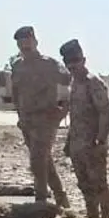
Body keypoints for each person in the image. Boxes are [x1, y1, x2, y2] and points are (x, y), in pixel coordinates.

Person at [9, 26, 71, 207]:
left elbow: (69, 82)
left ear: (35, 42)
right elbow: (16, 92)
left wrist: (63, 110)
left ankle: (41, 200)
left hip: (46, 119)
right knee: (44, 162)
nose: (24, 46)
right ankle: (61, 199)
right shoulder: (17, 66)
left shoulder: (49, 64)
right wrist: (19, 115)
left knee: (37, 159)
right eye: (20, 43)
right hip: (27, 121)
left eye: (27, 41)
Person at [58, 39, 109, 218]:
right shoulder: (73, 84)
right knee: (84, 185)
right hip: (77, 145)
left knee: (100, 185)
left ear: (83, 59)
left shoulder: (93, 82)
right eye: (69, 62)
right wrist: (68, 144)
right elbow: (75, 118)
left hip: (93, 145)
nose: (73, 66)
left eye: (76, 61)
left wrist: (100, 141)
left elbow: (104, 113)